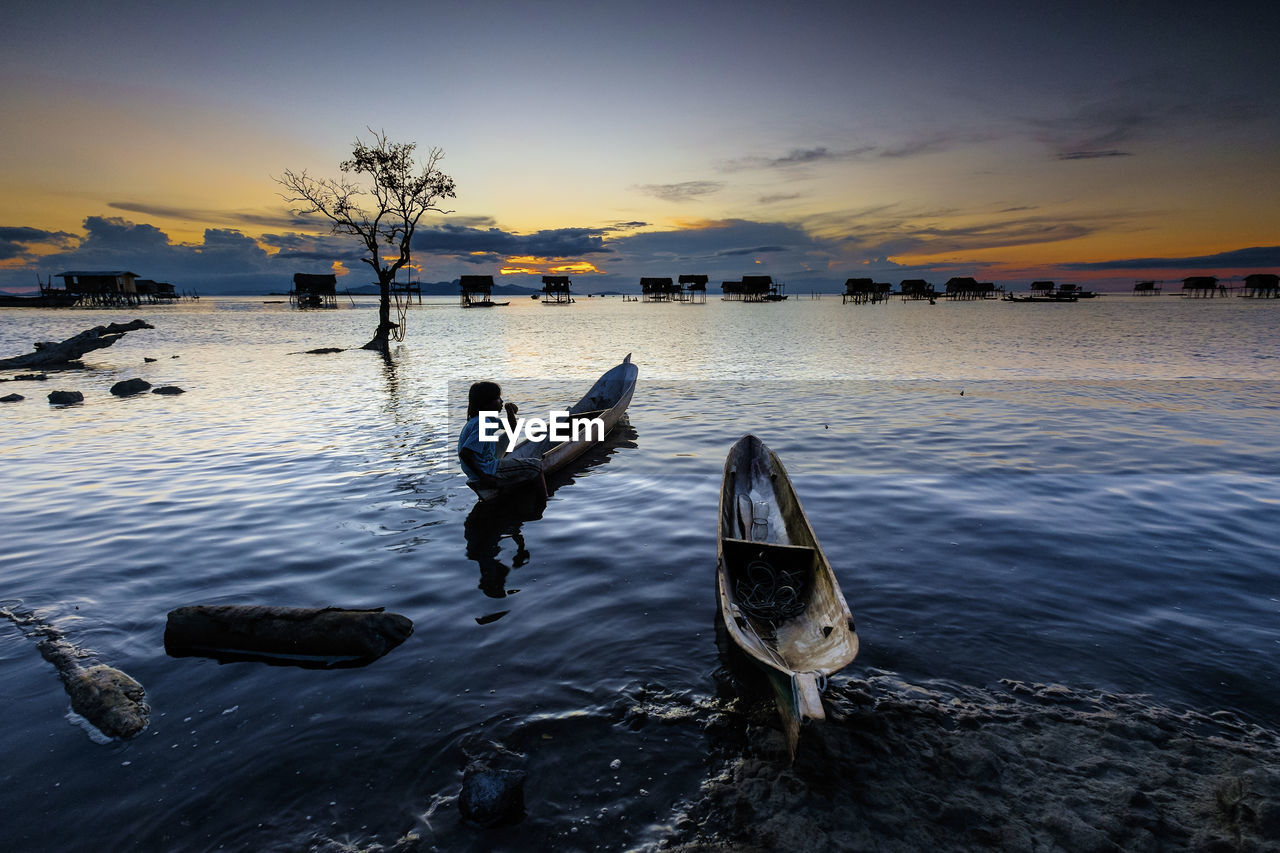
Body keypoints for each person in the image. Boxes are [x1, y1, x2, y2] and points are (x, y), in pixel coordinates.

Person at [458, 381, 546, 495]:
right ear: (486, 404)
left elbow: (512, 428)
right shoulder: (482, 422)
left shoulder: (484, 419)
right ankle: (544, 501)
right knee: (536, 466)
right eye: (498, 398)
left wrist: (509, 412)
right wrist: (484, 477)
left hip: (483, 467)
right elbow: (465, 454)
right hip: (486, 470)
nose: (502, 401)